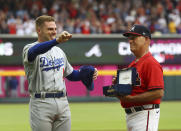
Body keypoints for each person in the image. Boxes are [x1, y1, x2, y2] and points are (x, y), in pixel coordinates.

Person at [22, 15, 98, 131]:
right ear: (38, 30)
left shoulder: (59, 51)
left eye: (55, 29)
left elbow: (71, 75)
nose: (54, 32)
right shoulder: (29, 48)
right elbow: (35, 51)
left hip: (62, 102)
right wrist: (56, 41)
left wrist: (87, 73)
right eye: (50, 29)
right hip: (41, 102)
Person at [113, 25, 164, 131]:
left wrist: (131, 99)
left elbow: (158, 93)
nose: (130, 41)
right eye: (129, 38)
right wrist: (118, 88)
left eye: (134, 37)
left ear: (146, 40)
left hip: (145, 114)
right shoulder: (132, 65)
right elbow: (130, 93)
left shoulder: (151, 63)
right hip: (132, 115)